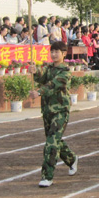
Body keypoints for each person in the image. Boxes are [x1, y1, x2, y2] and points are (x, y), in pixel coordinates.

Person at [30, 41, 78, 187]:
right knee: (54, 139)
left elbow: (53, 84)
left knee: (51, 143)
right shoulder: (49, 68)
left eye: (57, 52)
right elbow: (42, 78)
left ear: (64, 54)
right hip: (47, 110)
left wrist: (38, 92)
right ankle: (71, 159)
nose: (54, 54)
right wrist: (35, 71)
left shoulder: (65, 71)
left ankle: (47, 176)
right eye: (52, 51)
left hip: (60, 111)